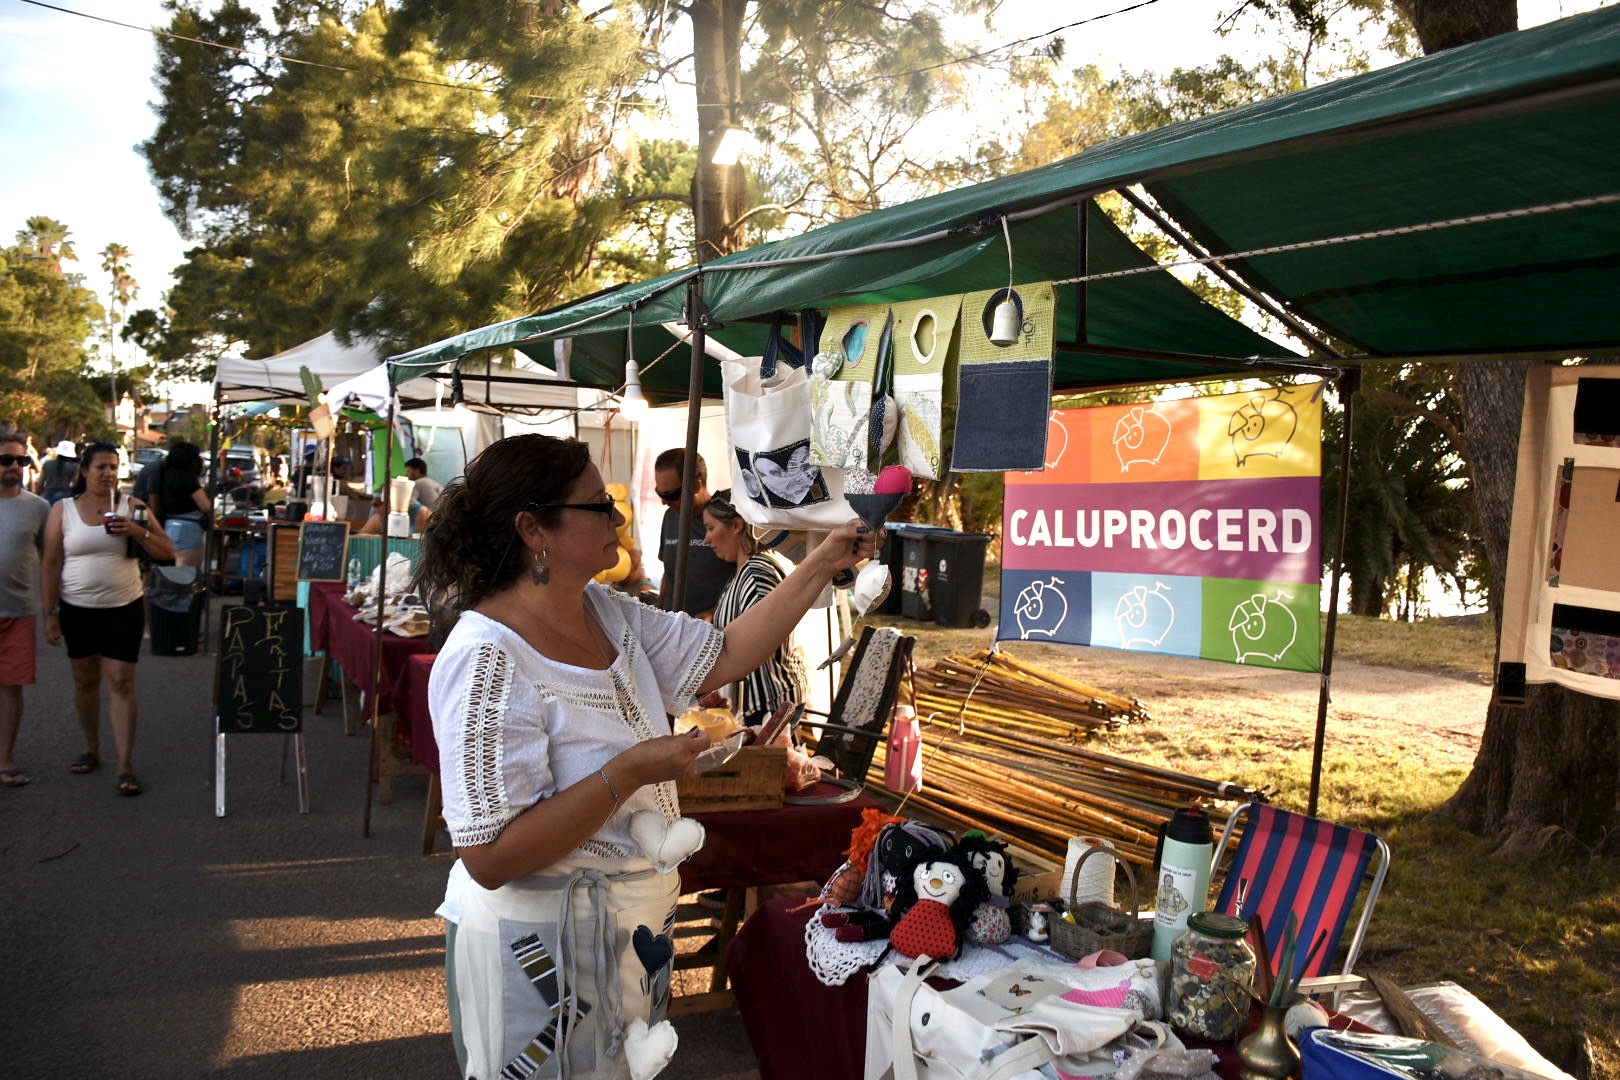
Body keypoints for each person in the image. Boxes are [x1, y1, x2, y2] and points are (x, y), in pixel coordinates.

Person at [415, 433, 877, 1080]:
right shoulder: (486, 658)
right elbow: (491, 856)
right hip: (539, 957)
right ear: (532, 530)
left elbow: (724, 652)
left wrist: (820, 563)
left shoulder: (606, 611)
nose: (617, 517)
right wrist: (631, 770)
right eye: (597, 505)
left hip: (628, 934)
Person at [40, 440, 175, 796]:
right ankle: (90, 748)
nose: (108, 474)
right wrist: (49, 613)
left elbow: (167, 552)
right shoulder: (63, 510)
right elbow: (51, 563)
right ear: (84, 471)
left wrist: (137, 531)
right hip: (76, 608)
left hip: (123, 606)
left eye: (114, 467)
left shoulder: (134, 506)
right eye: (101, 467)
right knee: (85, 682)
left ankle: (125, 765)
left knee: (120, 682)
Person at [702, 489, 810, 726]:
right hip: (758, 703)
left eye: (711, 528)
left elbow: (762, 638)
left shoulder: (756, 572)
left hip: (768, 705)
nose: (706, 539)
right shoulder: (746, 570)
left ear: (737, 526)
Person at [0, 433, 51, 788]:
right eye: (6, 460)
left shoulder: (38, 507)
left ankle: (4, 759)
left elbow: (50, 560)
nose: (15, 467)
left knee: (11, 688)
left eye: (21, 461)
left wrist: (53, 610)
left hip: (18, 610)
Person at [653, 448, 731, 618]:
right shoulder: (670, 516)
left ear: (696, 486)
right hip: (672, 623)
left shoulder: (728, 517)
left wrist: (713, 613)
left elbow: (742, 574)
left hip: (712, 629)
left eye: (671, 495)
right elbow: (669, 572)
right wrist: (659, 610)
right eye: (659, 493)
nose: (664, 502)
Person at [148, 441, 212, 568]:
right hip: (189, 528)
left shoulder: (164, 474)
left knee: (172, 575)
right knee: (187, 574)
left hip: (169, 525)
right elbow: (205, 506)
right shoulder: (188, 478)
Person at [38, 440, 78, 504]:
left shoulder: (47, 463)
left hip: (47, 496)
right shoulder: (75, 466)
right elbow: (75, 483)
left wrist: (37, 495)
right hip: (65, 497)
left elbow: (40, 483)